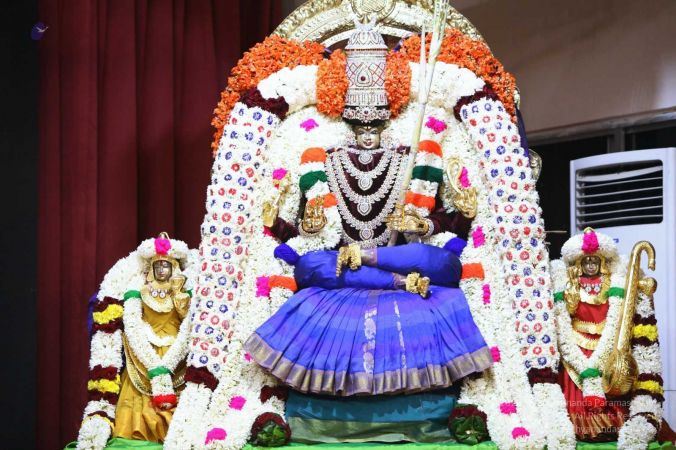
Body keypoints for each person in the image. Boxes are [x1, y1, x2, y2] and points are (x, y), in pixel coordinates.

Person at [244, 22, 491, 399]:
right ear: (350, 127)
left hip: (397, 257)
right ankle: (396, 281)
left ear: (385, 125)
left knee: (441, 262)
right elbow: (309, 233)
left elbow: (443, 221)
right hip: (347, 262)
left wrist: (424, 223)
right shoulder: (327, 161)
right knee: (310, 266)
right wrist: (289, 225)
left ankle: (375, 260)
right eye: (361, 128)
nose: (368, 134)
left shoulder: (409, 159)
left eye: (374, 127)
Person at [552, 228, 665, 446]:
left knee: (612, 394)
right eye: (586, 262)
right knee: (574, 399)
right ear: (579, 264)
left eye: (595, 261)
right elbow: (566, 315)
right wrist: (571, 298)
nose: (590, 265)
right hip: (576, 347)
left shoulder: (613, 283)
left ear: (602, 262)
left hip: (607, 345)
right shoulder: (570, 284)